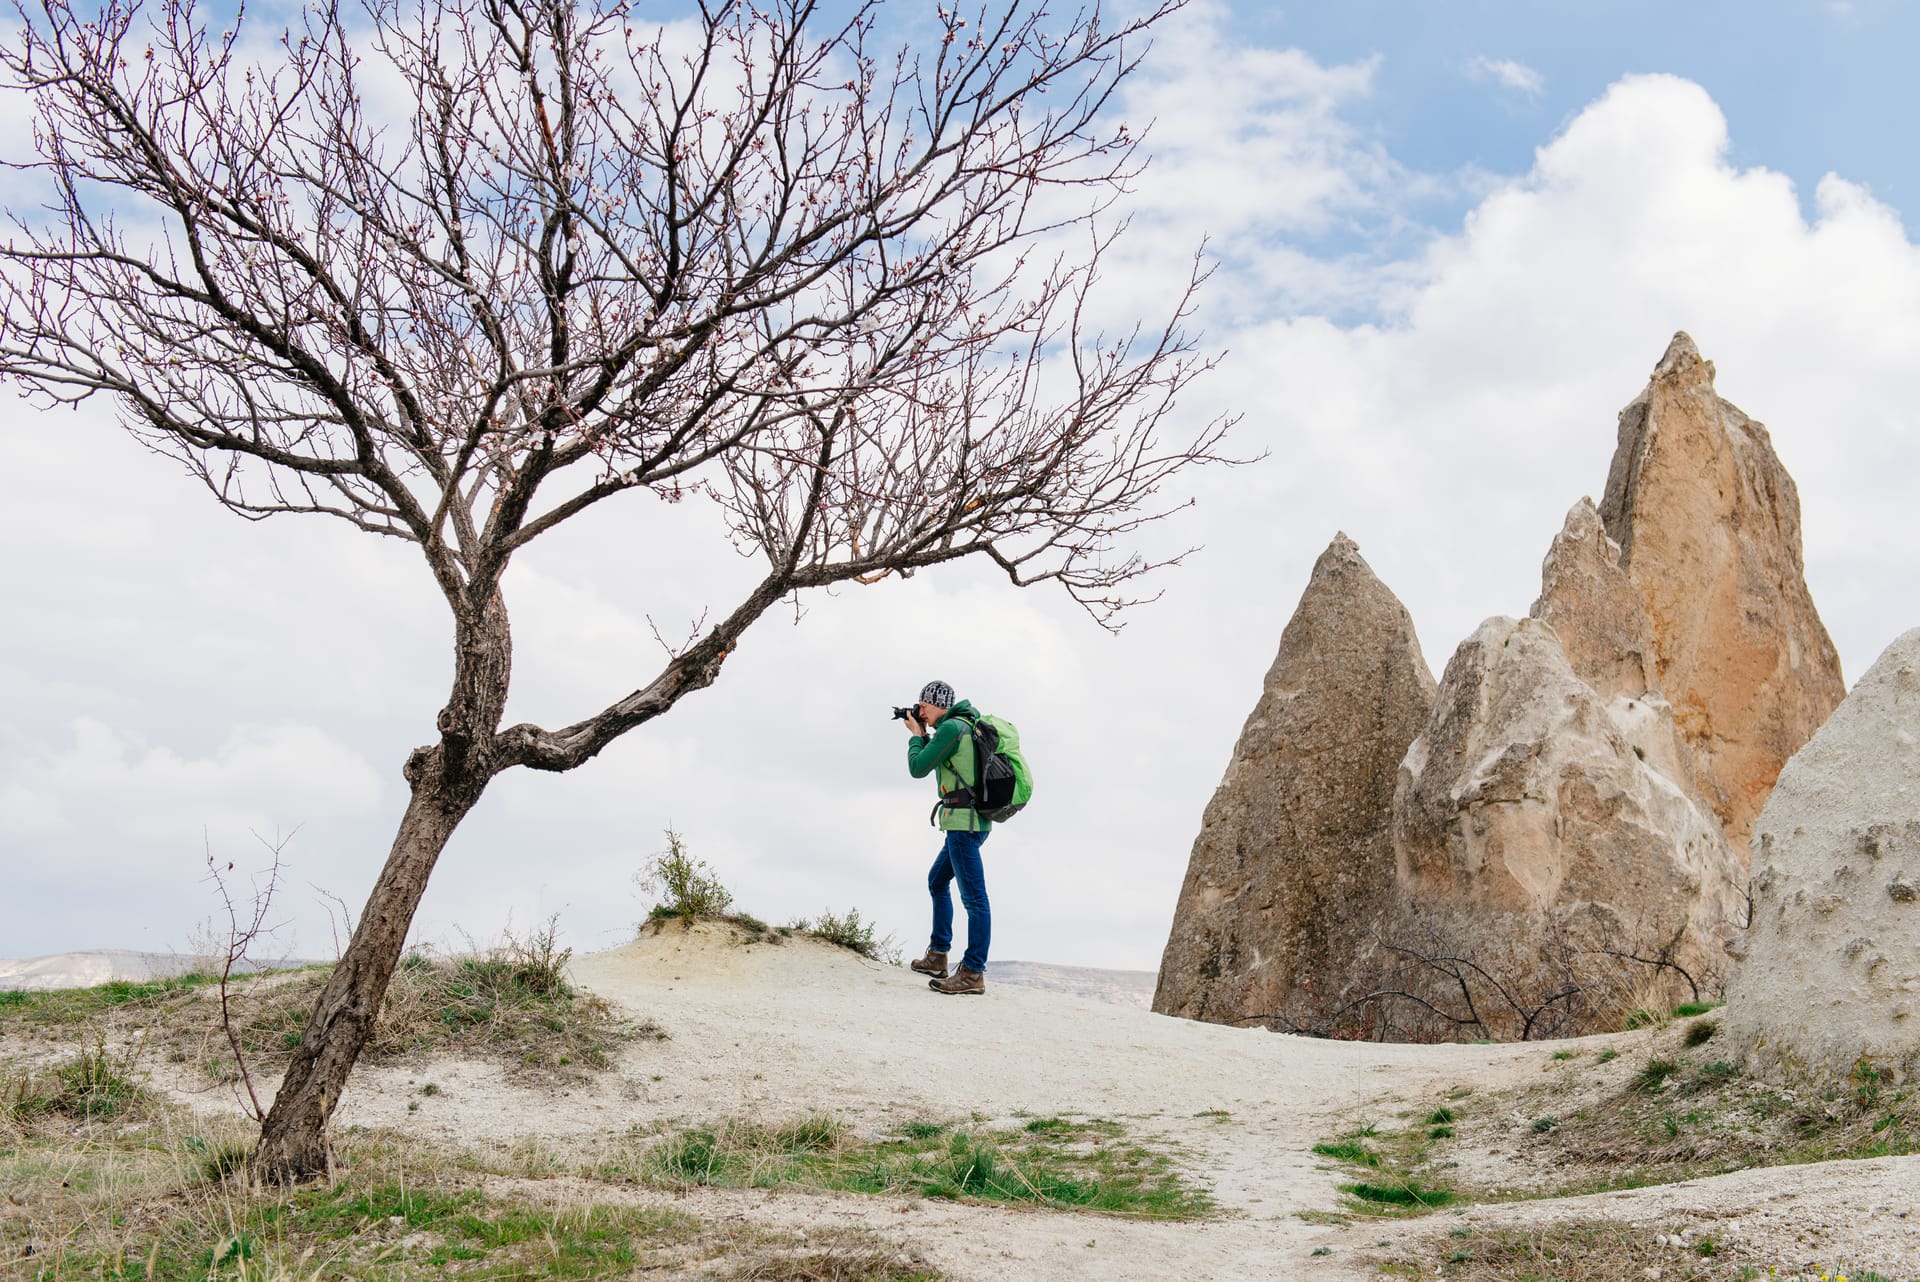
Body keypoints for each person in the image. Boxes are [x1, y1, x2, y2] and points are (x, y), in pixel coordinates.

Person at [902, 679, 991, 995]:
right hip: (966, 822)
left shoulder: (953, 729)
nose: (920, 711)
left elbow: (917, 768)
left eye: (924, 705)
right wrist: (925, 735)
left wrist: (916, 737)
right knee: (937, 880)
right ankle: (939, 955)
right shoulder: (961, 725)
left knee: (974, 899)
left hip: (963, 825)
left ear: (939, 704)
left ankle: (973, 972)